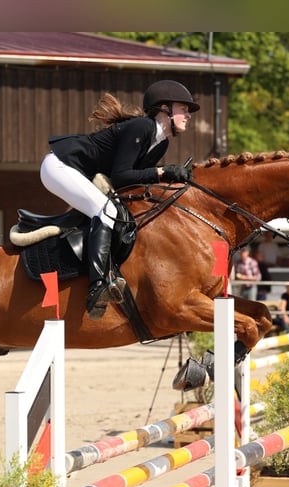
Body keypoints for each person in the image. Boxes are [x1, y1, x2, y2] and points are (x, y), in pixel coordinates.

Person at [40, 80, 199, 319]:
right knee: (106, 212)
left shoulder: (160, 143)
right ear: (164, 108)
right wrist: (163, 172)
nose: (188, 115)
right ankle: (98, 286)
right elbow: (122, 176)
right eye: (184, 108)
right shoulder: (143, 127)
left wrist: (169, 179)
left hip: (77, 172)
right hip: (60, 165)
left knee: (117, 214)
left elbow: (134, 183)